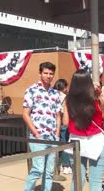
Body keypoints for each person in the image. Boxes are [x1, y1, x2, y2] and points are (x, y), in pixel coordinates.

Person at [63, 70, 104, 191]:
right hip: (96, 141)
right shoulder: (97, 98)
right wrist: (101, 94)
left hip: (76, 142)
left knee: (77, 182)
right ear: (89, 82)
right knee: (95, 183)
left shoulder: (68, 100)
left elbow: (65, 123)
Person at [22, 62, 61, 191]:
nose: (48, 76)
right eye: (45, 73)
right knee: (37, 169)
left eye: (51, 73)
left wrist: (57, 135)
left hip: (52, 136)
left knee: (49, 171)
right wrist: (36, 134)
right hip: (38, 136)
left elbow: (58, 115)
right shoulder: (31, 90)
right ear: (40, 73)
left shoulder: (55, 93)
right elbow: (25, 114)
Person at [53, 79, 72, 176]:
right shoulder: (64, 97)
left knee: (56, 144)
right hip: (63, 122)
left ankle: (58, 164)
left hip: (53, 123)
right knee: (64, 144)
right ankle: (66, 165)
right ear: (63, 87)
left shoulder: (51, 94)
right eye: (66, 87)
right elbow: (65, 109)